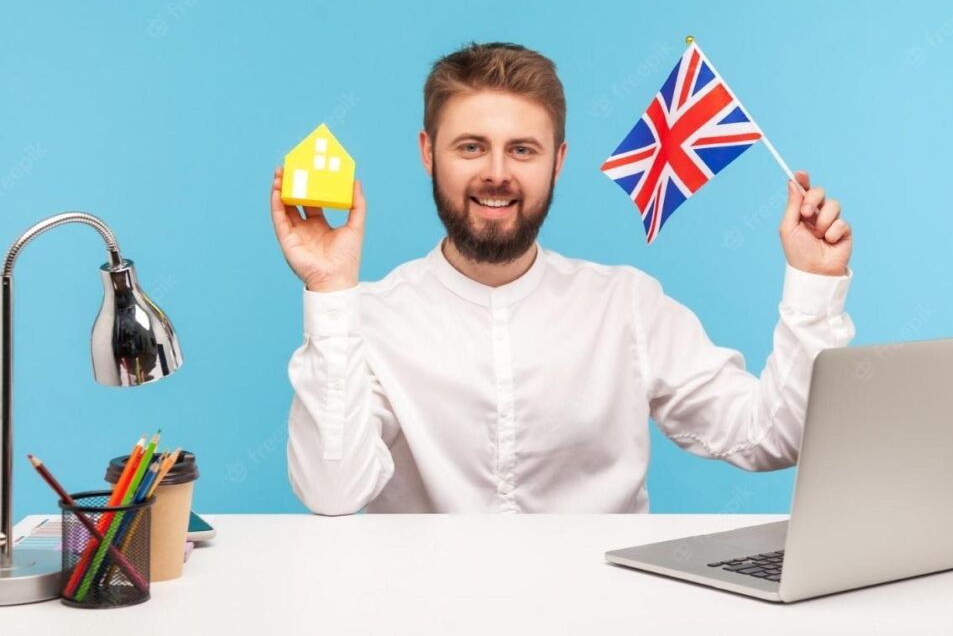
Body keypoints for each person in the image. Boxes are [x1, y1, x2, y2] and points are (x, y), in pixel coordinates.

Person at [270, 42, 854, 514]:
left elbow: (770, 436)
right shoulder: (366, 318)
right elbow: (333, 493)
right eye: (471, 147)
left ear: (559, 160)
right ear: (428, 153)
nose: (496, 174)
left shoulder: (627, 305)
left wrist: (812, 286)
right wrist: (329, 288)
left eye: (522, 150)